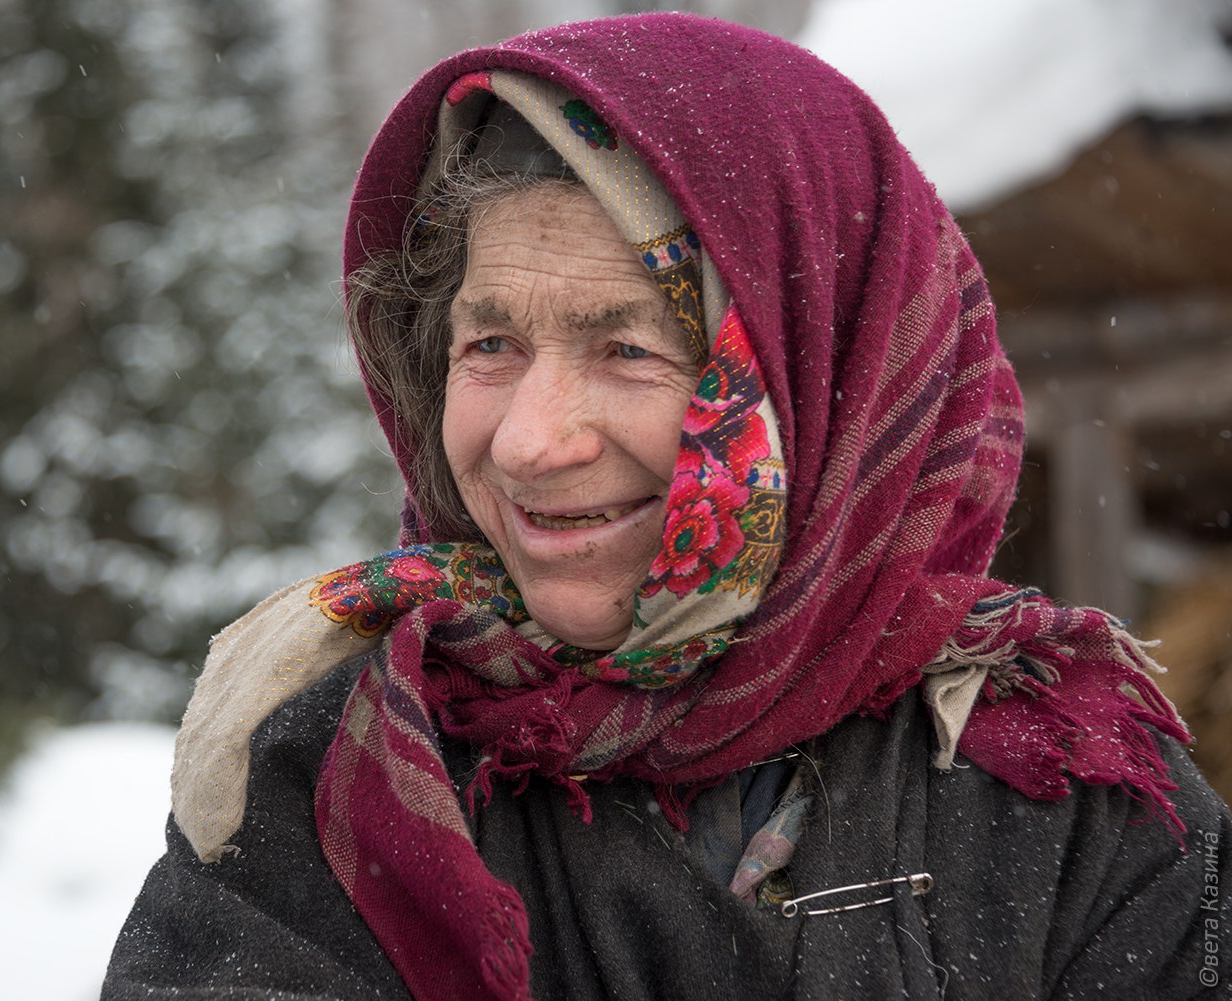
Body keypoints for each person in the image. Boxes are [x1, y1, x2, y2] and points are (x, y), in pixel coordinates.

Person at [103, 14, 1230, 1000]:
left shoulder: (1067, 790)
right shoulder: (344, 771)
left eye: (631, 348)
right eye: (489, 343)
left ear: (827, 383)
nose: (534, 441)